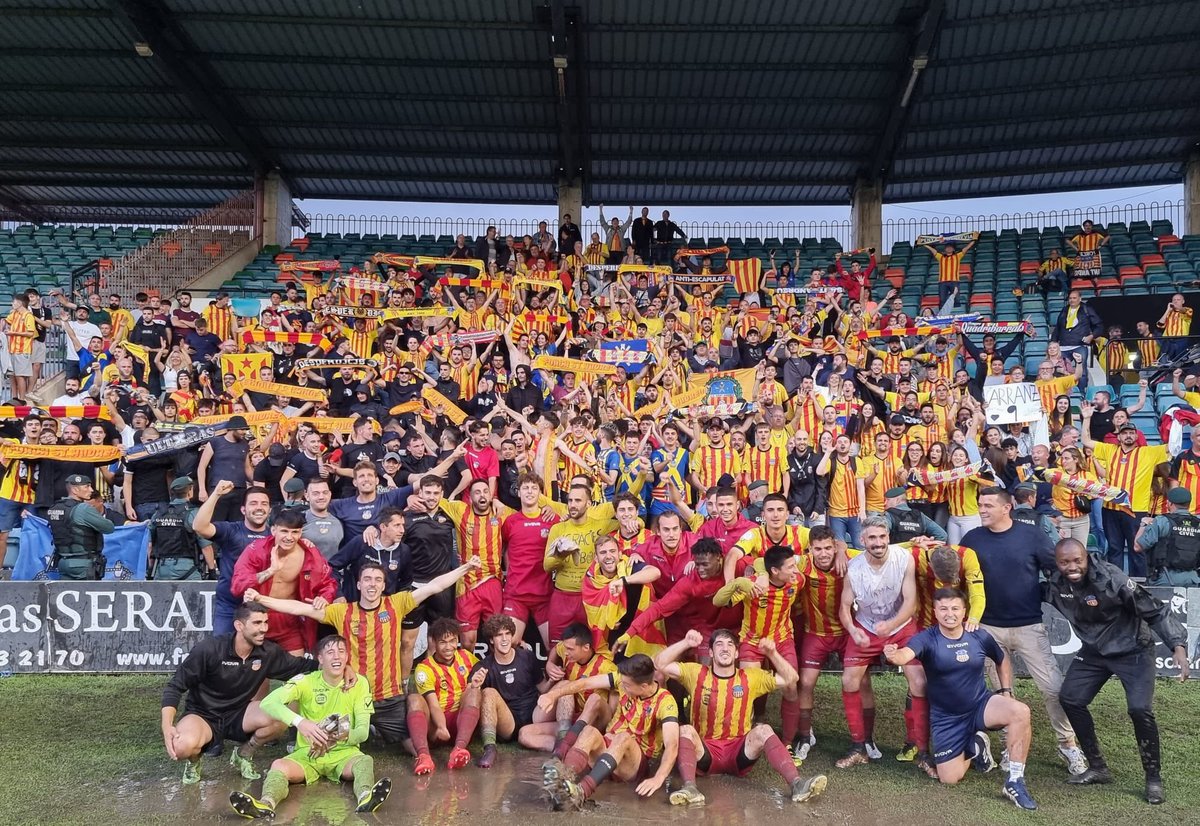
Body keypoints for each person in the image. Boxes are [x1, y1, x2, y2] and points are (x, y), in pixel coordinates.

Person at [246, 558, 479, 755]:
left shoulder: (396, 604)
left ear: (383, 585)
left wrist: (465, 568)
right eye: (367, 579)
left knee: (416, 747)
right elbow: (299, 608)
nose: (372, 584)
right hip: (352, 696)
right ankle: (283, 742)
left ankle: (391, 738)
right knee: (327, 747)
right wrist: (260, 599)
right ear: (358, 584)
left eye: (378, 580)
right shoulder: (342, 611)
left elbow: (434, 586)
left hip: (389, 698)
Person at [1047, 539, 1190, 805]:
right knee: (1070, 698)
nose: (1072, 566)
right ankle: (1098, 767)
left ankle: (1153, 779)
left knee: (1139, 709)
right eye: (1065, 562)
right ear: (1057, 563)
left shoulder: (1112, 578)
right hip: (1094, 652)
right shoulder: (1055, 583)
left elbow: (1155, 610)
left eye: (1077, 560)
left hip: (1133, 649)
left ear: (1086, 558)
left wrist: (1177, 645)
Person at [960, 487, 1087, 775]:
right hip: (989, 628)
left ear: (1006, 508)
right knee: (1002, 694)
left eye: (988, 505)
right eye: (980, 504)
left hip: (1029, 625)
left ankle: (1068, 744)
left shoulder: (1031, 536)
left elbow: (1056, 569)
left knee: (1054, 688)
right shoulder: (972, 539)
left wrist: (1054, 593)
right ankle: (1009, 747)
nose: (981, 509)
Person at [883, 587, 1038, 809]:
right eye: (943, 609)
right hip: (947, 718)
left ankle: (1015, 781)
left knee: (1020, 711)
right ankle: (975, 746)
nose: (950, 614)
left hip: (980, 705)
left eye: (955, 608)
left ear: (964, 610)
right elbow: (904, 655)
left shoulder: (978, 635)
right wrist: (893, 655)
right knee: (949, 778)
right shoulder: (926, 638)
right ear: (935, 612)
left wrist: (1006, 690)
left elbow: (1001, 659)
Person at [228, 635, 392, 818]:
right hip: (308, 754)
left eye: (341, 652)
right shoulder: (305, 681)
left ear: (347, 657)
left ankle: (366, 797)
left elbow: (362, 733)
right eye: (330, 652)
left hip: (344, 754)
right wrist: (301, 723)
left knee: (364, 760)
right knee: (279, 765)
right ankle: (265, 804)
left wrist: (334, 734)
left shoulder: (359, 683)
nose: (336, 657)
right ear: (320, 659)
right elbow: (268, 703)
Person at [160, 602, 323, 784]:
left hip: (240, 713)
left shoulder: (268, 652)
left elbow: (302, 666)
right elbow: (174, 687)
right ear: (239, 625)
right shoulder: (209, 649)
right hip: (203, 715)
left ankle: (244, 754)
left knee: (281, 717)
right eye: (257, 623)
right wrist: (167, 727)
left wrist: (336, 667)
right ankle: (194, 762)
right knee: (182, 747)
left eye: (265, 622)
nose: (264, 629)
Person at [835, 516, 934, 776]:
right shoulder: (854, 568)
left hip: (900, 627)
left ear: (888, 537)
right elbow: (845, 608)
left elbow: (911, 601)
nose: (878, 542)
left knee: (920, 682)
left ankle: (922, 751)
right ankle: (859, 747)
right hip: (866, 627)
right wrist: (854, 631)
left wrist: (891, 625)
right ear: (862, 540)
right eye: (872, 538)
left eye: (882, 536)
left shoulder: (904, 558)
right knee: (849, 681)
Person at [536, 654, 680, 810]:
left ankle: (581, 792)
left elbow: (672, 744)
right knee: (590, 730)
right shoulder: (623, 679)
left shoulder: (666, 701)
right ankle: (561, 778)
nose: (622, 687)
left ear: (644, 686)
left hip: (635, 762)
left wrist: (658, 778)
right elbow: (585, 683)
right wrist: (552, 695)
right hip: (608, 751)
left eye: (627, 685)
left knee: (623, 738)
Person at [1081, 401, 1171, 577]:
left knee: (1136, 549)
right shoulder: (1109, 450)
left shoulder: (1148, 452)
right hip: (1111, 508)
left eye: (1132, 433)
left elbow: (1172, 447)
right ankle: (1116, 584)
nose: (1128, 436)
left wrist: (1174, 423)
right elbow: (1085, 441)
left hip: (1135, 510)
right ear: (1119, 437)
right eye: (1125, 433)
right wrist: (1086, 418)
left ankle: (1140, 585)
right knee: (1114, 548)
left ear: (1136, 436)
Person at [464, 614, 550, 768]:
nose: (504, 639)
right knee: (488, 693)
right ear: (491, 639)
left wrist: (557, 680)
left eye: (507, 634)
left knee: (562, 689)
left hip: (535, 716)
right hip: (508, 722)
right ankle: (490, 748)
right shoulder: (483, 666)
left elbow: (543, 688)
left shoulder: (527, 657)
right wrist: (474, 686)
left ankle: (567, 740)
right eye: (499, 635)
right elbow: (467, 701)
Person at [520, 622, 618, 755]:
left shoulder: (606, 667)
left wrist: (608, 730)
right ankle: (564, 748)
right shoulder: (567, 652)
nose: (566, 652)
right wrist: (549, 663)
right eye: (566, 648)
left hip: (593, 722)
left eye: (570, 649)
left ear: (586, 647)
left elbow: (613, 704)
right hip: (569, 719)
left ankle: (568, 744)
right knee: (525, 734)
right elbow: (557, 648)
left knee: (566, 685)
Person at [191, 480, 273, 634]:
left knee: (263, 657)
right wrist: (216, 494)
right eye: (253, 503)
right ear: (243, 509)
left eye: (264, 504)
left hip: (263, 608)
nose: (259, 508)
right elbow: (199, 526)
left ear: (269, 509)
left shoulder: (275, 536)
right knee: (221, 653)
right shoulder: (231, 530)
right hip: (229, 607)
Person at [46, 473, 115, 580]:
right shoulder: (83, 509)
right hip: (84, 563)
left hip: (62, 562)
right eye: (87, 486)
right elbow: (109, 527)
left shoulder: (54, 508)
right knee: (86, 595)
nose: (91, 490)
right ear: (75, 490)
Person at [148, 477, 215, 580]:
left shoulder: (158, 514)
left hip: (162, 569)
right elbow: (206, 547)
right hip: (187, 569)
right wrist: (212, 572)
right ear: (190, 491)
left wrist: (150, 569)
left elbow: (150, 546)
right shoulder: (194, 513)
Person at [1134, 487, 1200, 586]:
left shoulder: (1162, 521)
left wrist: (1143, 524)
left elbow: (1137, 547)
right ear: (1189, 504)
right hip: (1193, 580)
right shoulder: (1198, 524)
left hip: (1164, 580)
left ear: (1169, 503)